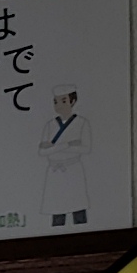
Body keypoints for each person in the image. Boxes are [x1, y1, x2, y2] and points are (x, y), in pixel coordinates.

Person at [38, 85, 92, 227]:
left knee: (78, 209)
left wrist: (53, 147)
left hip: (73, 169)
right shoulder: (50, 125)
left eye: (63, 101)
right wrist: (68, 145)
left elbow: (86, 148)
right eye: (56, 102)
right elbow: (42, 151)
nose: (59, 105)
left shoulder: (81, 123)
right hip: (55, 172)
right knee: (57, 212)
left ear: (72, 102)